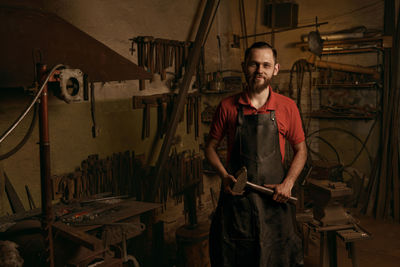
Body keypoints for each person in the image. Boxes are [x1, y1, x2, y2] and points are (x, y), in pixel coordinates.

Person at [205, 42, 307, 267]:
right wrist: (223, 176)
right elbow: (210, 148)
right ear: (244, 67)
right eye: (254, 64)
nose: (260, 70)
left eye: (266, 65)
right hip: (238, 203)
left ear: (275, 69)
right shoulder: (227, 107)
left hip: (275, 201)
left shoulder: (287, 107)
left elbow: (301, 150)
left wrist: (288, 182)